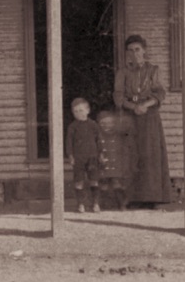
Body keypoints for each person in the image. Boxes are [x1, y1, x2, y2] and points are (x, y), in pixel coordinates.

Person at [113, 34, 171, 208]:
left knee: (150, 155)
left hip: (150, 117)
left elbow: (160, 93)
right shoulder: (122, 72)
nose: (134, 54)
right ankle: (133, 199)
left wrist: (145, 105)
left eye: (137, 49)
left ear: (144, 50)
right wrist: (133, 107)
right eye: (130, 51)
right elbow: (118, 97)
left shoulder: (153, 70)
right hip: (131, 118)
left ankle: (152, 198)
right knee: (132, 156)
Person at [65, 97, 102, 213]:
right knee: (79, 181)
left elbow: (99, 140)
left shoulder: (93, 125)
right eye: (75, 111)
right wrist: (70, 156)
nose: (78, 114)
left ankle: (95, 204)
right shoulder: (72, 127)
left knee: (94, 180)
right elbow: (69, 143)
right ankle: (80, 204)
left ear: (88, 110)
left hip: (92, 157)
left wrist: (100, 154)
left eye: (81, 110)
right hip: (78, 158)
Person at [96, 107, 136, 210]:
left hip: (116, 165)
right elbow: (95, 149)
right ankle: (104, 205)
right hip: (103, 164)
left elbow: (124, 152)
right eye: (103, 123)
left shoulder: (118, 136)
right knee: (103, 185)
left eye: (110, 123)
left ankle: (122, 204)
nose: (107, 126)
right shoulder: (98, 136)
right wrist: (99, 156)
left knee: (117, 184)